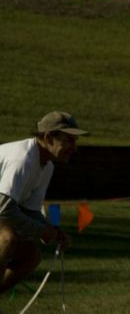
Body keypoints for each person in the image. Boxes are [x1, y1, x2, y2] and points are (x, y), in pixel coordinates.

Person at [0, 111, 87, 293]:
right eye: (69, 140)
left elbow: (29, 210)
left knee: (31, 257)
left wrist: (54, 233)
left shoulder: (46, 166)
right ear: (48, 137)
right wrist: (42, 231)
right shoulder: (21, 159)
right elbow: (4, 210)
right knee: (7, 239)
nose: (75, 147)